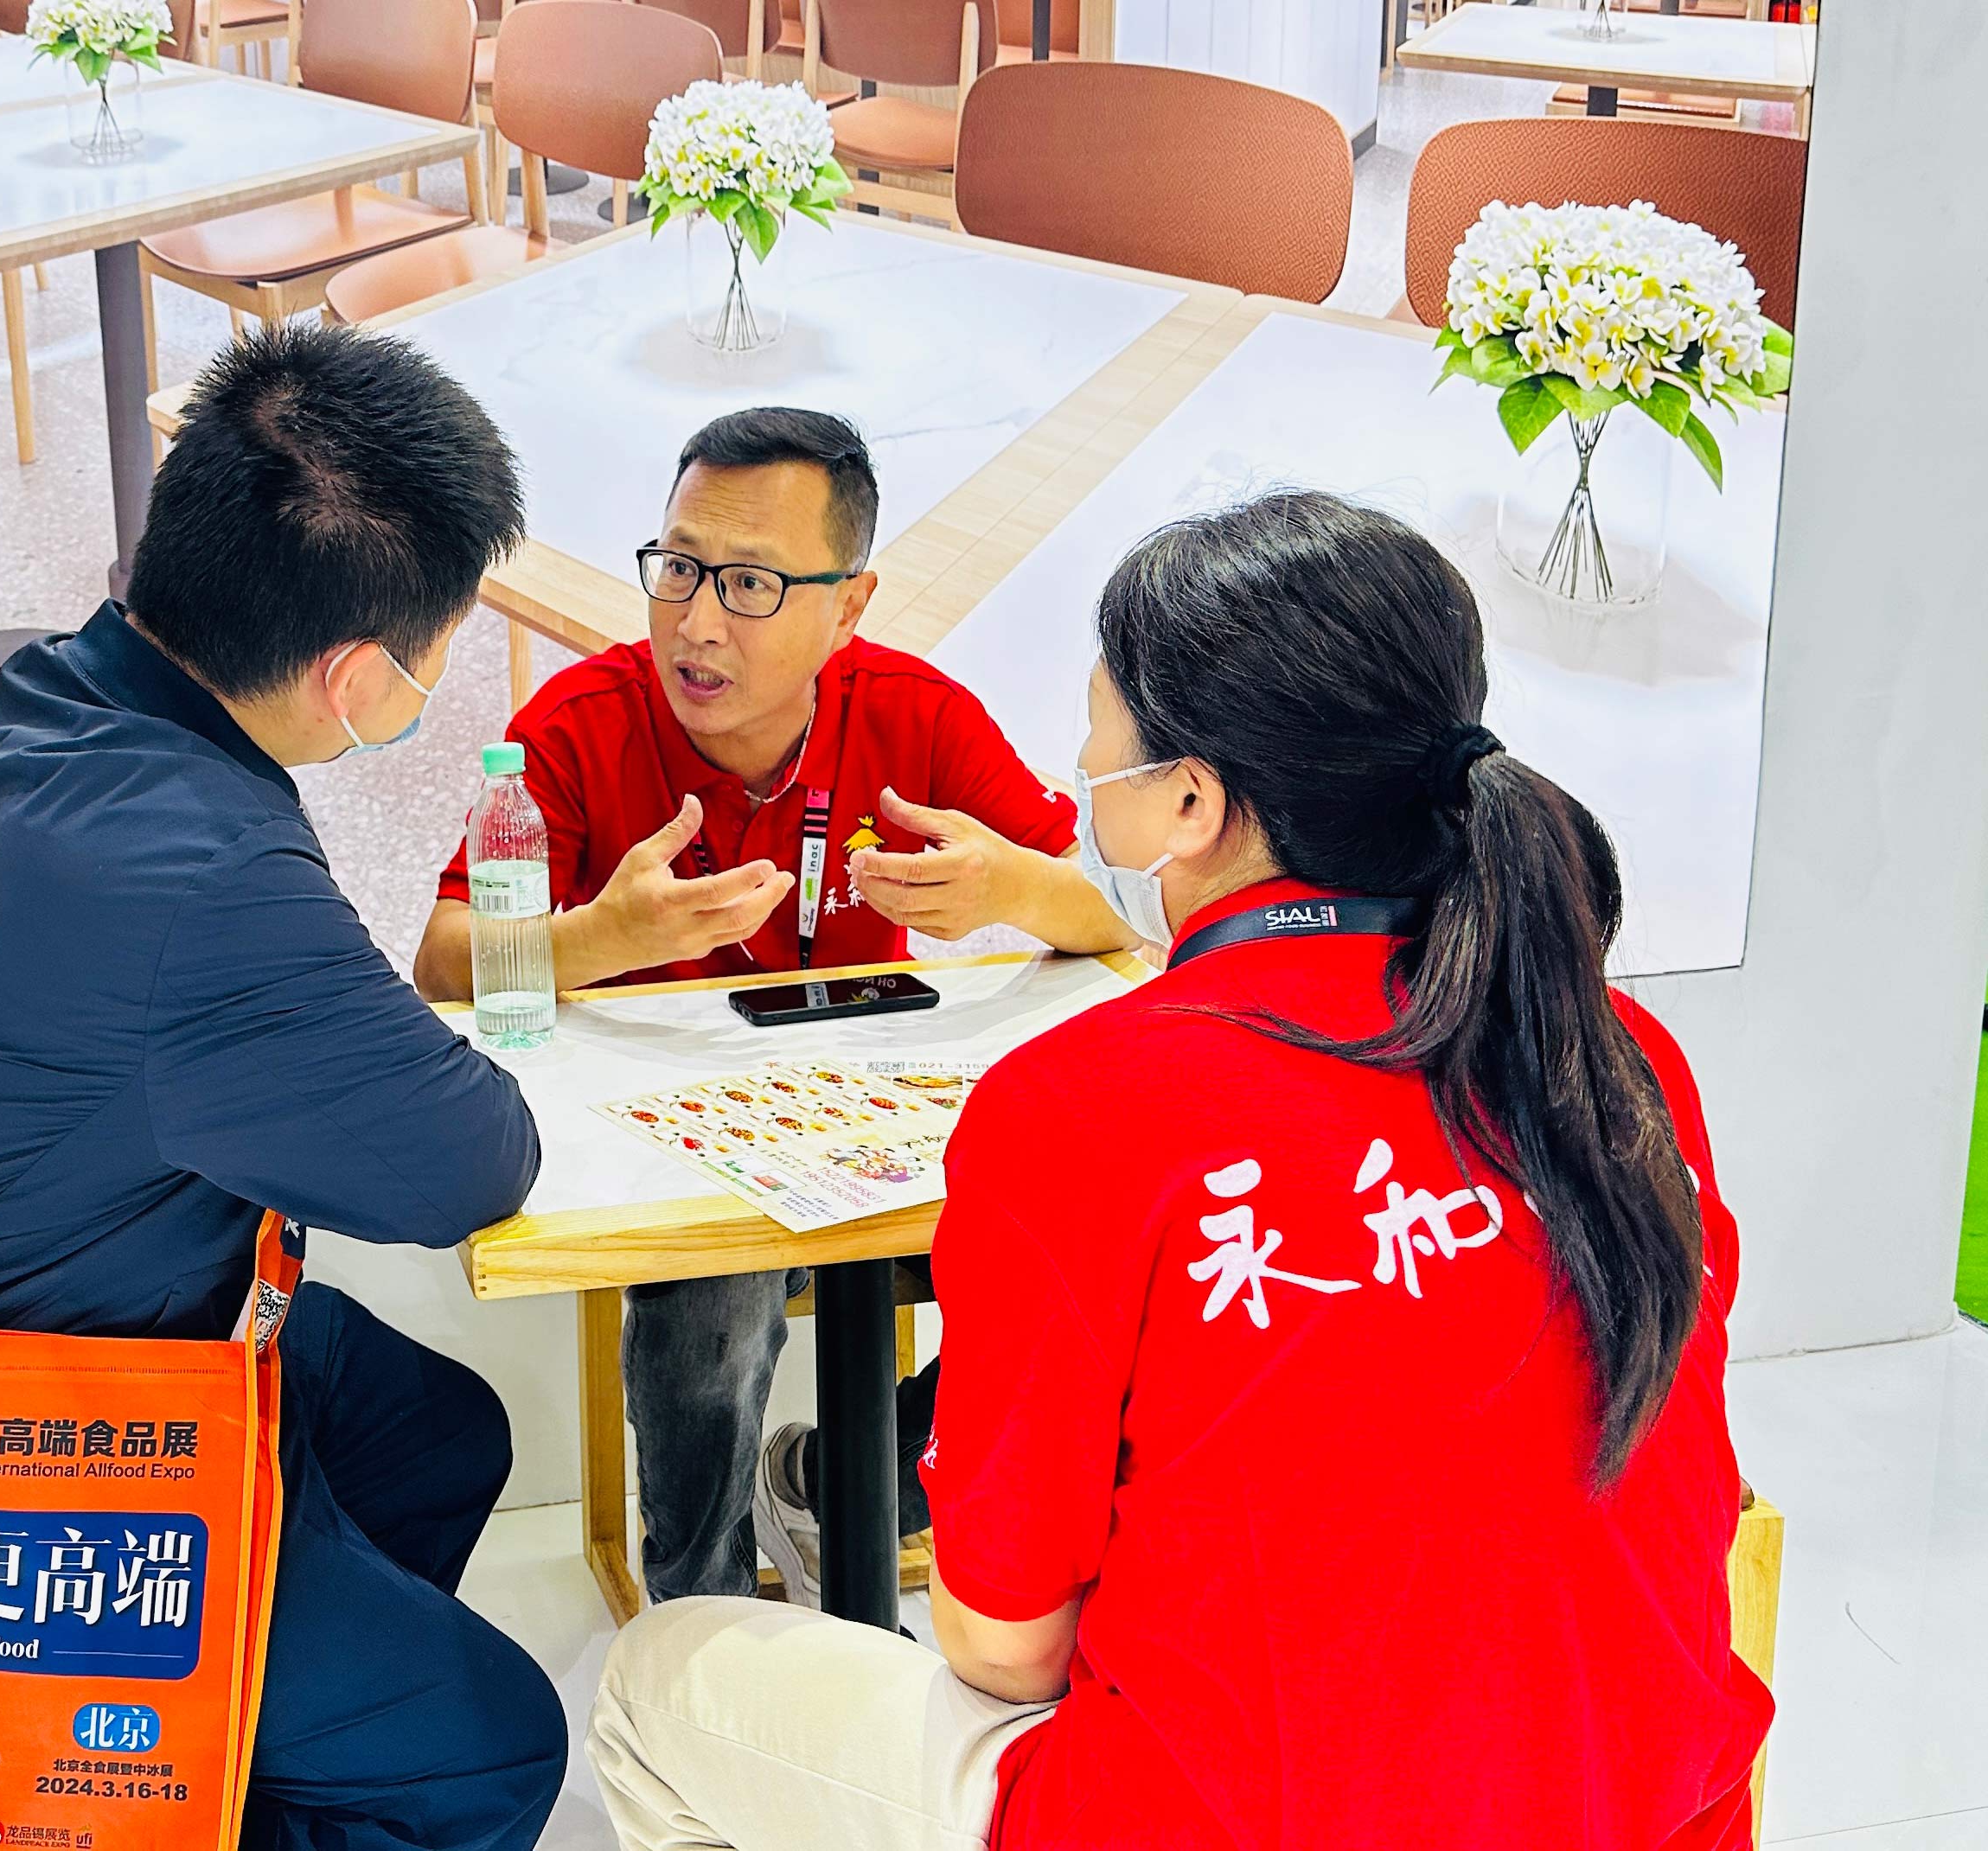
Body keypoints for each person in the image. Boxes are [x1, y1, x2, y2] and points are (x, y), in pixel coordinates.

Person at [586, 492, 1773, 1849]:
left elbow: (1005, 1646)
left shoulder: (1082, 1103)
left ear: (1193, 800)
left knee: (655, 1679)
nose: (1088, 782)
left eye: (1104, 753)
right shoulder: (1614, 1052)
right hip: (1650, 1803)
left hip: (1224, 1817)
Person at [0, 325, 566, 1851]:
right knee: (489, 1747)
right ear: (353, 675)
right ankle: (200, 1765)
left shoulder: (29, 703)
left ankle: (201, 1776)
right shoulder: (199, 865)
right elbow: (471, 1162)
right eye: (427, 664)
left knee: (430, 1427)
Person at [413, 407, 1130, 1610]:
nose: (697, 622)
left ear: (849, 606)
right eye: (678, 567)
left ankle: (858, 1483)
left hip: (874, 1121)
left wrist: (1008, 890)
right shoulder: (582, 723)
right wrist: (604, 938)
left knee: (1085, 1238)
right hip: (681, 1145)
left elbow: (1115, 910)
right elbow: (440, 964)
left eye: (750, 584)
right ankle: (701, 1612)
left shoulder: (915, 714)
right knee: (716, 1296)